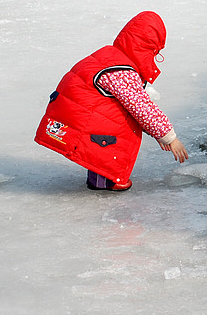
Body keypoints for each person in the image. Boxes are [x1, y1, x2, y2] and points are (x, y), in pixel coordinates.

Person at [35, 11, 188, 191]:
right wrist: (170, 137)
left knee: (111, 114)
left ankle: (99, 175)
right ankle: (104, 179)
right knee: (119, 122)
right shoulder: (121, 71)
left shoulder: (110, 56)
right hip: (78, 119)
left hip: (72, 116)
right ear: (147, 49)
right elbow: (141, 107)